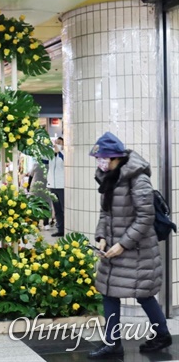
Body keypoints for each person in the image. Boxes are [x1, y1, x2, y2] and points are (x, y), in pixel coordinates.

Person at [87, 132, 171, 359]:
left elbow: (145, 217)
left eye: (103, 158)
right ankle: (113, 343)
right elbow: (105, 213)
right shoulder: (108, 177)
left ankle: (162, 334)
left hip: (137, 249)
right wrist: (101, 237)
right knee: (108, 292)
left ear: (116, 157)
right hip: (114, 248)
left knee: (142, 293)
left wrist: (123, 244)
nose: (100, 163)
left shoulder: (138, 179)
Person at [46, 136, 64, 236]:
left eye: (59, 143)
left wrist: (60, 152)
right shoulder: (52, 155)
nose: (57, 144)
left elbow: (65, 160)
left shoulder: (65, 154)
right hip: (52, 185)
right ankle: (60, 229)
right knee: (57, 209)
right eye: (56, 142)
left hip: (62, 186)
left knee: (63, 208)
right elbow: (43, 161)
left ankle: (66, 229)